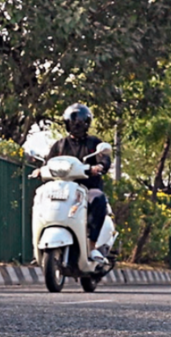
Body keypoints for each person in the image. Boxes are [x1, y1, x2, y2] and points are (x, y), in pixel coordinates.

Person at [45, 104, 111, 263]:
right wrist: (41, 169)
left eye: (80, 122)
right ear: (67, 123)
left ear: (87, 123)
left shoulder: (94, 143)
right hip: (63, 189)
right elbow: (48, 163)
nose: (76, 125)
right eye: (73, 121)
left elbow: (104, 159)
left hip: (87, 189)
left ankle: (92, 246)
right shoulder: (60, 145)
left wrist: (100, 166)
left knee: (98, 198)